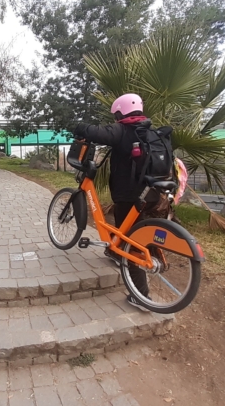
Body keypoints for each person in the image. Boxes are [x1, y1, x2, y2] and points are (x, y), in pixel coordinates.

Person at [72, 93, 160, 312]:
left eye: (116, 115)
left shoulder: (122, 130)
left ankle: (140, 296)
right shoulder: (150, 131)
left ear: (121, 112)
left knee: (132, 241)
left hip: (129, 194)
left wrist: (78, 126)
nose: (115, 119)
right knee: (128, 230)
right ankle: (113, 250)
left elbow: (94, 132)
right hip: (153, 193)